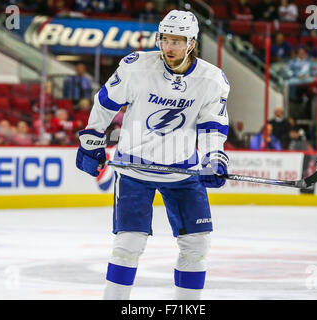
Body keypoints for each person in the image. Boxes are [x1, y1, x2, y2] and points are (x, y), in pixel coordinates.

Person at [76, 10, 230, 300]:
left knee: (197, 245)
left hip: (183, 171)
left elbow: (212, 124)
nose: (169, 47)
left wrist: (214, 157)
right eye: (165, 39)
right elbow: (106, 101)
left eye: (177, 41)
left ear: (192, 43)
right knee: (128, 244)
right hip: (135, 170)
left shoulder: (212, 79)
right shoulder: (136, 66)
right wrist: (92, 137)